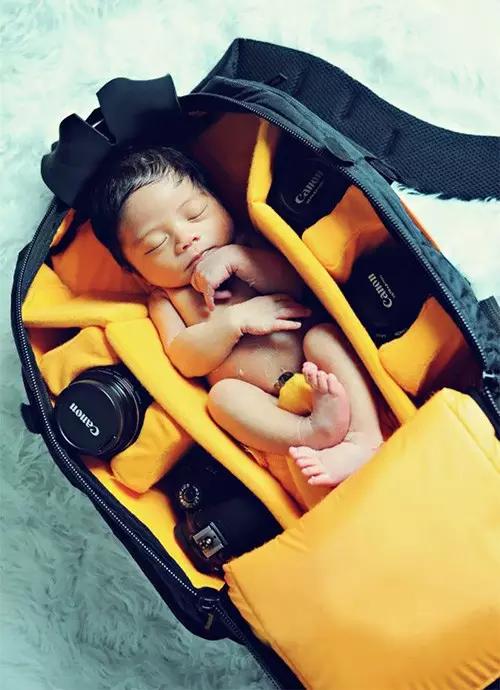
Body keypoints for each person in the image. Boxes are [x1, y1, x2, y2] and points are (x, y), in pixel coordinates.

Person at [88, 144, 383, 488]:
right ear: (137, 273)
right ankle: (312, 432)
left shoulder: (248, 243)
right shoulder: (167, 299)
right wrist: (233, 322)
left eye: (195, 214)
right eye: (155, 244)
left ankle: (363, 438)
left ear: (220, 202)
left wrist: (239, 260)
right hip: (267, 405)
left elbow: (298, 285)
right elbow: (185, 358)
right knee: (222, 398)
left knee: (324, 338)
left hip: (315, 364)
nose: (185, 239)